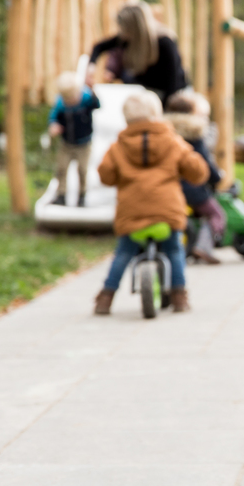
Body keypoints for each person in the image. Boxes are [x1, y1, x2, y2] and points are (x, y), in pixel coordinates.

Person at [93, 91, 209, 315]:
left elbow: (105, 175)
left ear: (126, 118)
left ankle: (105, 298)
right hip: (167, 212)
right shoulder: (173, 141)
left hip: (132, 212)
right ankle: (179, 297)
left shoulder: (119, 146)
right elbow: (197, 172)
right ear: (157, 114)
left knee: (124, 253)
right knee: (175, 250)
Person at [165, 91, 225, 265]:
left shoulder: (165, 132)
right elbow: (203, 165)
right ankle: (204, 246)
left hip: (171, 188)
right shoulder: (194, 134)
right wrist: (216, 178)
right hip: (194, 190)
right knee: (216, 214)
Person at [88, 2, 187, 103]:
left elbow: (173, 84)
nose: (121, 32)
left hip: (170, 95)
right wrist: (91, 67)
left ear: (134, 28)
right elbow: (99, 47)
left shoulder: (165, 43)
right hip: (147, 92)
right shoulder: (128, 38)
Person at [48, 71, 100, 207]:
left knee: (82, 170)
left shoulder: (86, 98)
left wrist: (93, 90)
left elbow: (97, 105)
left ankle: (82, 196)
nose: (71, 102)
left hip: (84, 144)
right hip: (66, 144)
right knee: (61, 168)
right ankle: (61, 195)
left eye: (73, 98)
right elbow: (53, 116)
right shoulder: (60, 104)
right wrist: (54, 125)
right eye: (67, 100)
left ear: (78, 91)